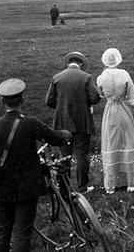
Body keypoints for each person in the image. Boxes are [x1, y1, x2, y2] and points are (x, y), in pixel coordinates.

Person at [0, 78, 71, 252]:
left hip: (3, 187)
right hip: (27, 187)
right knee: (22, 233)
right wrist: (66, 133)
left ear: (2, 101)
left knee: (1, 233)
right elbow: (55, 138)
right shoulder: (30, 123)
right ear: (23, 100)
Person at [45, 52, 101, 193]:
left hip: (62, 122)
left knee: (64, 155)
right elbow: (95, 97)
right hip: (82, 121)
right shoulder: (86, 77)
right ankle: (82, 187)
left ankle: (64, 188)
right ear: (81, 64)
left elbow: (49, 101)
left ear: (68, 63)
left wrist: (61, 108)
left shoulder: (57, 77)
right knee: (82, 154)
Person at [96, 48, 134, 194]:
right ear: (118, 60)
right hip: (125, 111)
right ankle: (130, 184)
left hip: (110, 112)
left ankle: (111, 185)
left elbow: (100, 95)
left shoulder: (101, 78)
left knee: (111, 142)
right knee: (128, 142)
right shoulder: (124, 74)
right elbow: (133, 98)